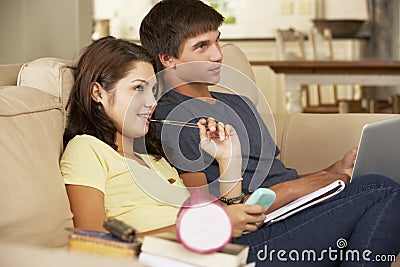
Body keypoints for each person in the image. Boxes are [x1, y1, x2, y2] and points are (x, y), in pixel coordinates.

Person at [139, 0, 400, 265]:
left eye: (217, 42)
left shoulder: (239, 104)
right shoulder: (171, 119)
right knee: (382, 188)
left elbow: (278, 176)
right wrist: (292, 190)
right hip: (255, 230)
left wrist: (334, 170)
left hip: (293, 211)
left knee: (378, 189)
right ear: (168, 59)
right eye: (202, 46)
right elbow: (207, 214)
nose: (217, 55)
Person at [60, 36, 255, 237]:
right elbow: (93, 241)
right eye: (137, 88)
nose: (152, 102)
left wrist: (229, 160)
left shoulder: (156, 159)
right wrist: (208, 225)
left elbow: (212, 222)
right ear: (97, 93)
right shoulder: (87, 149)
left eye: (153, 91)